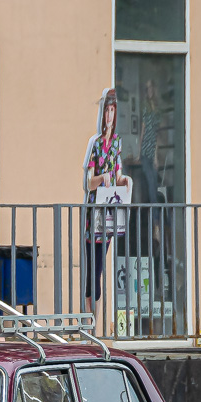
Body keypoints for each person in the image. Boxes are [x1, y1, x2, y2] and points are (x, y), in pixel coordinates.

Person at [82, 88, 131, 309]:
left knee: (99, 268)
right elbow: (89, 182)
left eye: (112, 111)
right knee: (93, 270)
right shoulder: (96, 144)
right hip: (94, 214)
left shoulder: (117, 143)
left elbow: (118, 175)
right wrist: (102, 177)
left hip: (109, 213)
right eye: (106, 111)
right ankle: (91, 322)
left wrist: (125, 181)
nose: (109, 116)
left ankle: (95, 324)